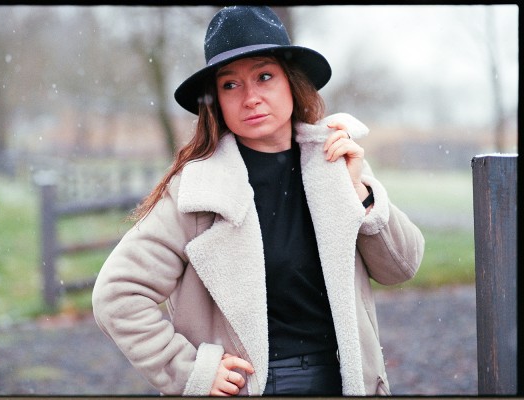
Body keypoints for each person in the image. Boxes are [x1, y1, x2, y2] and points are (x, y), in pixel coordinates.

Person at [92, 5, 424, 397]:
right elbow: (118, 295)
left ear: (291, 83)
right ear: (216, 100)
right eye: (230, 85)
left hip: (344, 381)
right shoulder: (199, 191)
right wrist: (191, 371)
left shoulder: (334, 162)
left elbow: (401, 268)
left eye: (264, 76)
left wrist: (360, 193)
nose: (250, 97)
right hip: (251, 388)